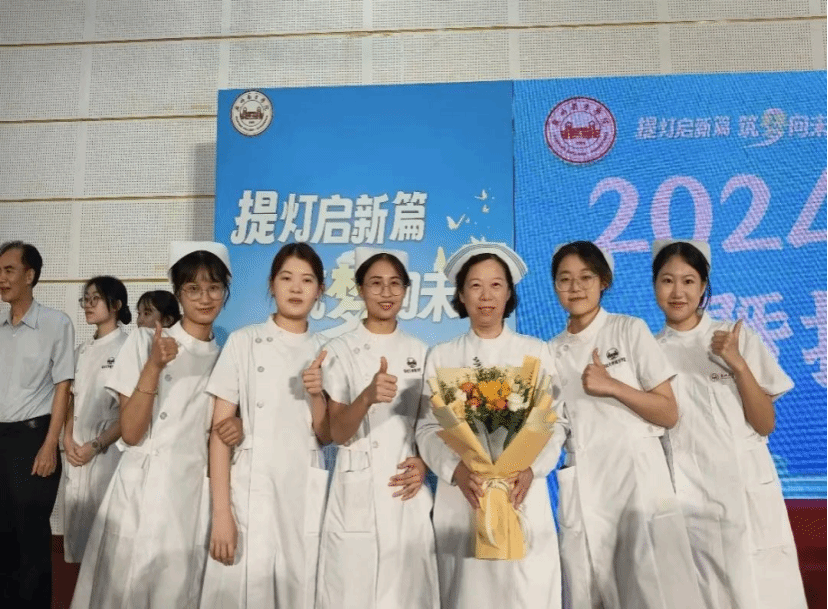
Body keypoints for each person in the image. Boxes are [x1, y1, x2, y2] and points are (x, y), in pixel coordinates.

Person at [70, 241, 232, 609]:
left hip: (191, 495)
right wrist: (154, 367)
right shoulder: (146, 341)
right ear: (178, 293)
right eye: (193, 288)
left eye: (214, 287)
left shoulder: (227, 358)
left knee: (175, 592)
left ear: (225, 291)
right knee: (123, 590)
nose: (205, 298)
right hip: (140, 487)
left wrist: (233, 430)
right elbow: (130, 432)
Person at [651, 239, 807, 609]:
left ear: (704, 286)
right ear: (655, 285)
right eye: (667, 280)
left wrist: (737, 364)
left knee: (763, 593)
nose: (678, 292)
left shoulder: (734, 337)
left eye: (688, 281)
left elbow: (765, 423)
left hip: (745, 490)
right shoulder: (649, 350)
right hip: (689, 495)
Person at [548, 240, 702, 609]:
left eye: (586, 277)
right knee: (590, 590)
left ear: (604, 281)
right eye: (565, 279)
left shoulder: (628, 330)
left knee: (652, 590)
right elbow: (554, 425)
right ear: (554, 286)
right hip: (585, 484)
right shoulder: (550, 351)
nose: (575, 287)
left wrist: (612, 386)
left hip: (637, 481)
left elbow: (668, 412)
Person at [415, 242, 562, 609]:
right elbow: (427, 429)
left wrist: (532, 469)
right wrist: (456, 471)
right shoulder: (442, 355)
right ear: (461, 295)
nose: (486, 296)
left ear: (509, 293)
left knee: (525, 592)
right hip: (466, 495)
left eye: (496, 285)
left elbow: (556, 423)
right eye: (475, 286)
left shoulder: (536, 352)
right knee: (469, 594)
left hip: (520, 492)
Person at [201, 242, 331, 609]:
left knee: (297, 590)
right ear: (272, 285)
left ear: (320, 290)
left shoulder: (328, 349)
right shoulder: (243, 342)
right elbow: (219, 433)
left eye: (307, 280)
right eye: (286, 278)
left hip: (301, 488)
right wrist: (221, 514)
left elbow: (326, 434)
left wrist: (316, 394)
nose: (296, 288)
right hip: (249, 489)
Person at [316, 247, 439, 609]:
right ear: (359, 289)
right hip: (357, 486)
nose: (386, 292)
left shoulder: (422, 351)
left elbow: (433, 427)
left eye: (395, 284)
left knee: (408, 594)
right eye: (375, 283)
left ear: (406, 290)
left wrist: (424, 463)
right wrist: (367, 397)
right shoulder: (339, 349)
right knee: (352, 593)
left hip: (405, 487)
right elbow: (338, 433)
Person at [0, 240, 74, 608]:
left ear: (30, 276)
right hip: (1, 438)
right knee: (3, 536)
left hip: (33, 440)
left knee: (30, 536)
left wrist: (50, 445)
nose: (2, 278)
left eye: (9, 270)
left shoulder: (56, 323)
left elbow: (63, 387)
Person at [63, 276, 131, 564]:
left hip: (108, 453)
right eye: (85, 299)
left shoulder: (128, 347)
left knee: (105, 546)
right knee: (77, 542)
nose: (88, 305)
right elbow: (72, 400)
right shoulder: (81, 351)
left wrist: (96, 444)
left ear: (116, 305)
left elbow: (130, 413)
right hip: (75, 452)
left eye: (96, 299)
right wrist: (67, 438)